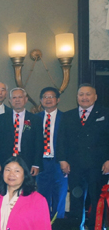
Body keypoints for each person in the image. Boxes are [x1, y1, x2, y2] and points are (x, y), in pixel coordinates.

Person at [57, 83, 109, 230]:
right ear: (77, 97)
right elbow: (61, 139)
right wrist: (62, 159)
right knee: (76, 200)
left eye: (88, 94)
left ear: (95, 97)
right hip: (75, 167)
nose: (84, 97)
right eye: (81, 94)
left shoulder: (105, 114)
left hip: (98, 166)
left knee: (97, 199)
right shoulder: (68, 115)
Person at [0, 87, 42, 179]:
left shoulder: (35, 119)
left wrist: (36, 164)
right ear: (10, 100)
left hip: (28, 160)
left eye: (20, 97)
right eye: (14, 98)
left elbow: (39, 143)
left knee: (27, 185)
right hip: (6, 159)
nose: (17, 100)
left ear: (26, 99)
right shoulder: (2, 118)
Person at [36, 87, 67, 221]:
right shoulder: (35, 118)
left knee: (59, 197)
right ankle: (43, 226)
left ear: (58, 100)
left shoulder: (66, 118)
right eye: (45, 97)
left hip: (59, 163)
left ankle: (58, 227)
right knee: (41, 197)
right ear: (41, 100)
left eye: (51, 97)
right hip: (41, 163)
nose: (48, 99)